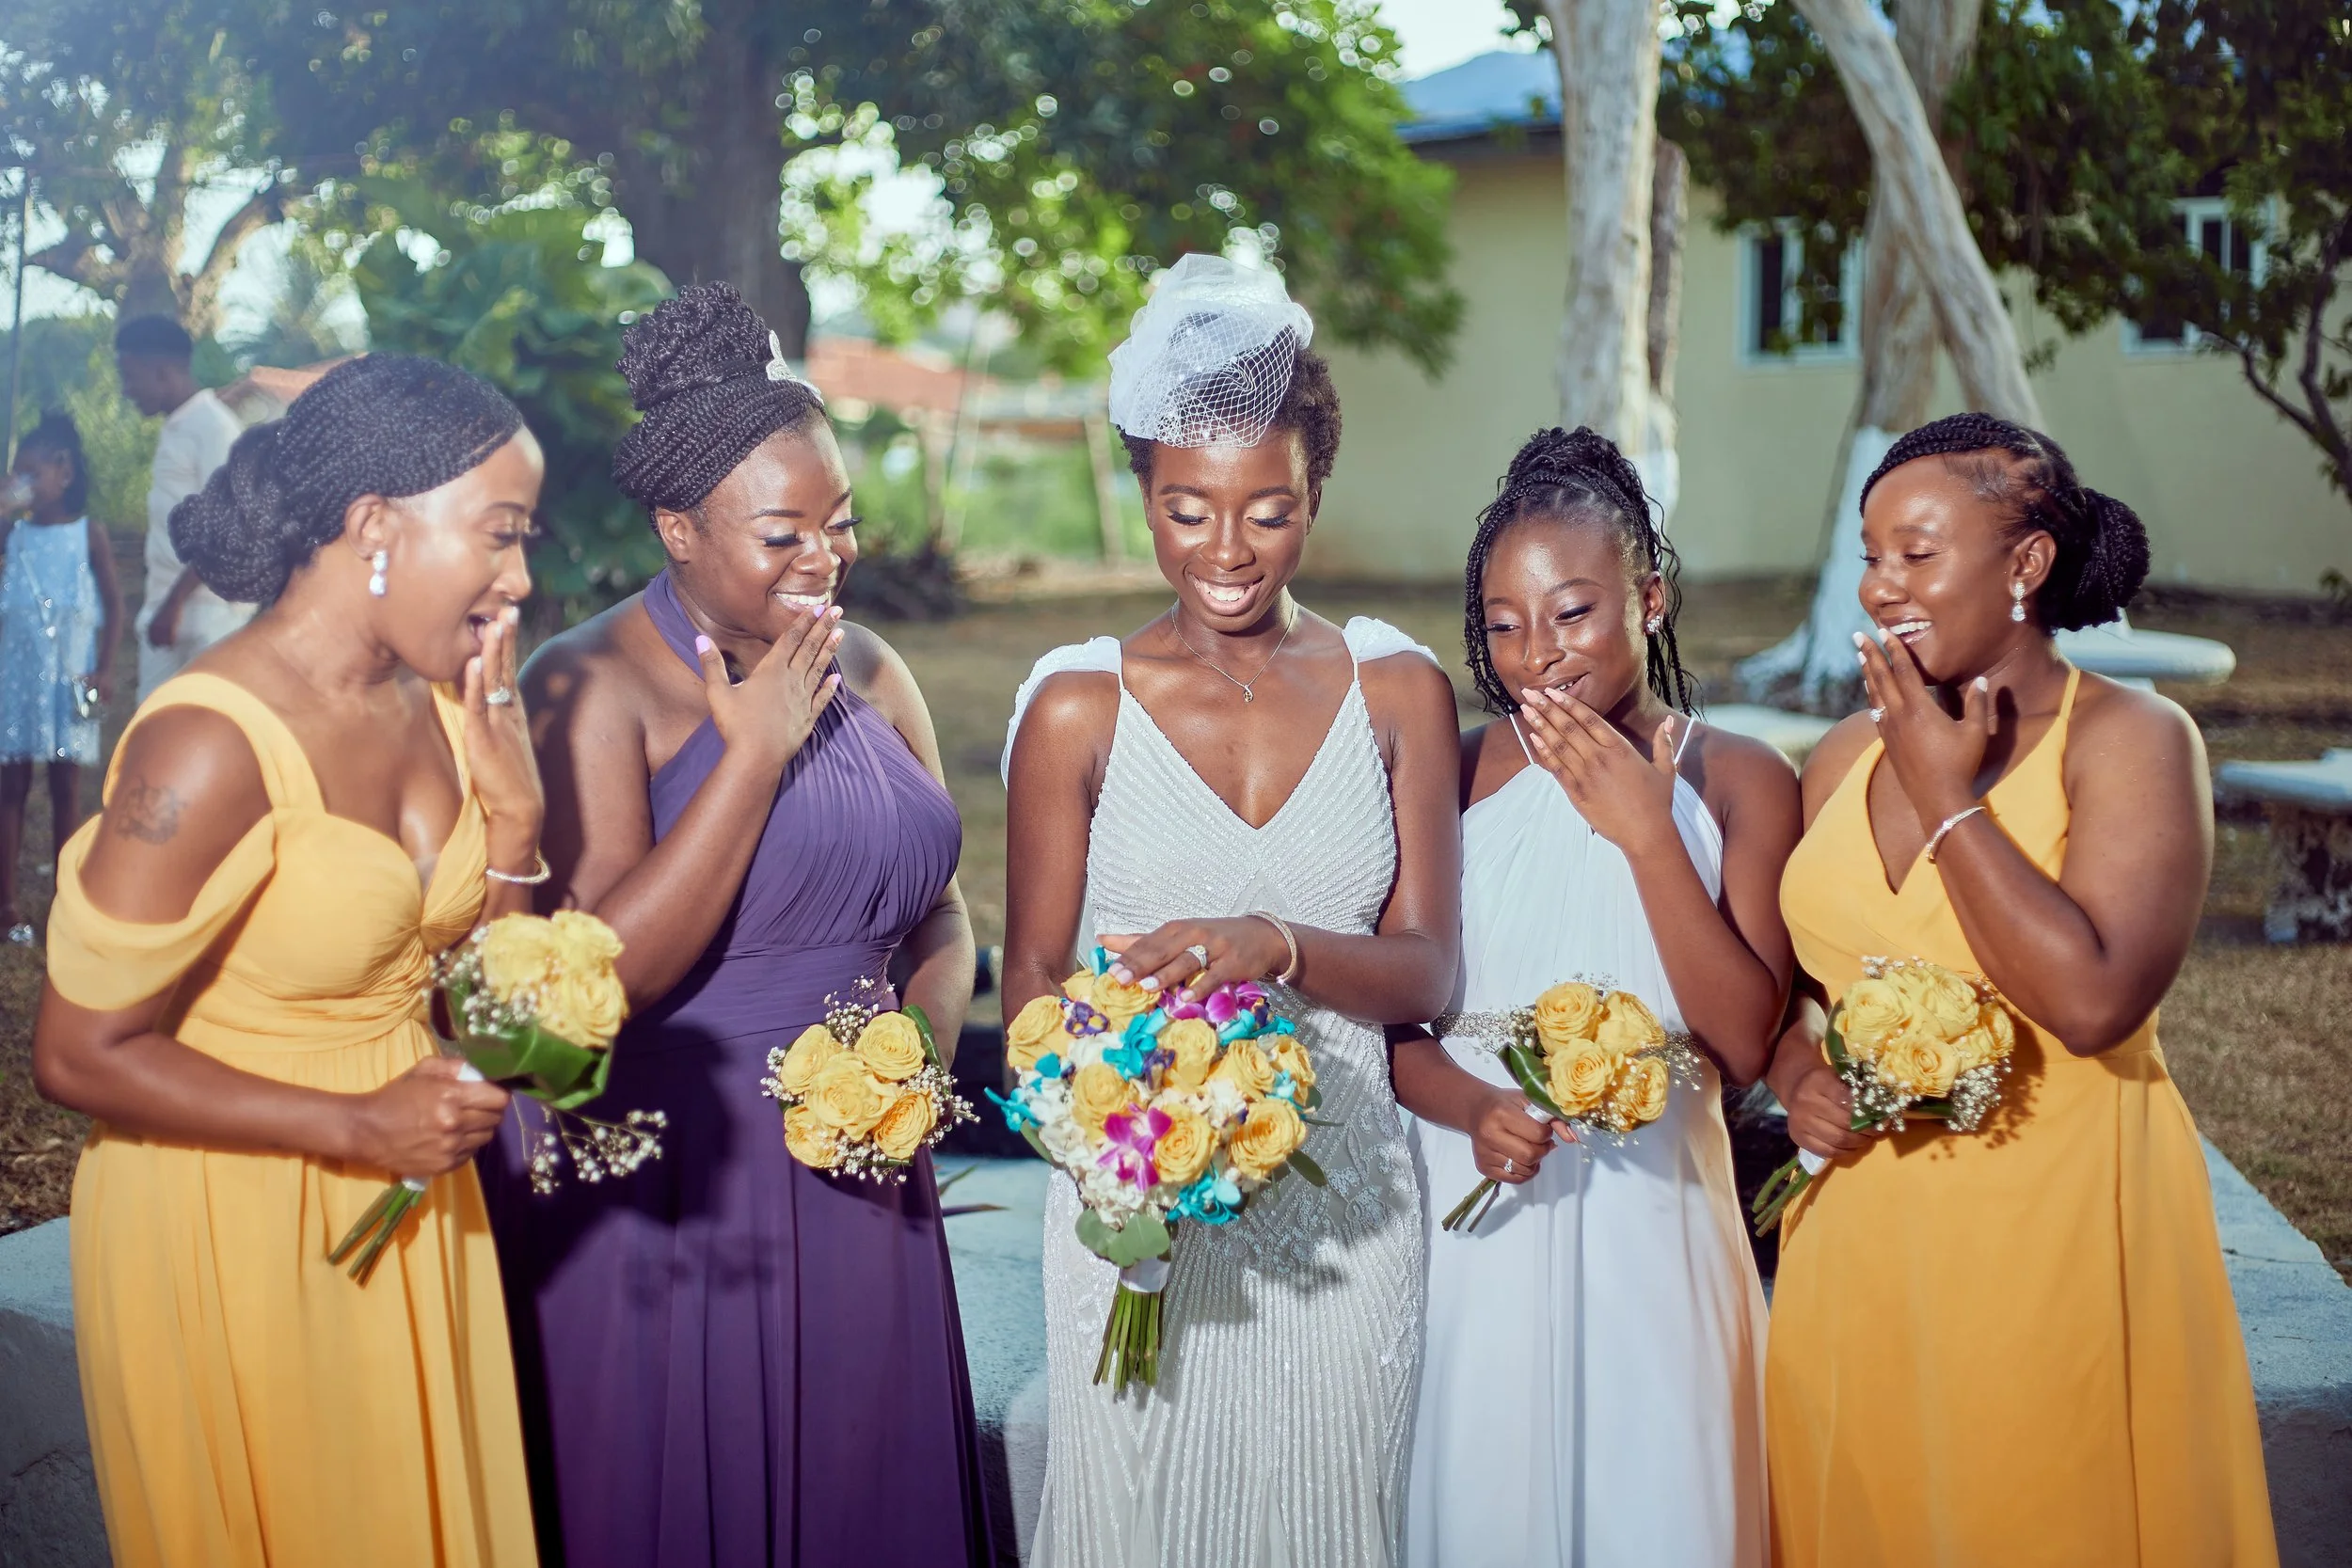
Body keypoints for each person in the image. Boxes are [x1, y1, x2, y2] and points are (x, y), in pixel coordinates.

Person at [479, 281, 991, 1568]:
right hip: (685, 1190)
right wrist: (751, 755)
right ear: (679, 527)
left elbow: (942, 912)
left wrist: (913, 1060)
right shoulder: (588, 683)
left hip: (867, 1169)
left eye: (843, 523)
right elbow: (597, 980)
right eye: (783, 534)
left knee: (866, 1502)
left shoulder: (872, 666)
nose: (825, 558)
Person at [31, 355, 548, 1566]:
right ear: (374, 523)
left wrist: (516, 834)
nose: (521, 578)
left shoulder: (444, 701)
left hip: (416, 1192)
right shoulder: (206, 742)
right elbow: (74, 1052)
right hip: (236, 1209)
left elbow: (495, 1027)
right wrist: (357, 1126)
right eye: (500, 535)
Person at [1000, 254, 1463, 1568]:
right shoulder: (1077, 708)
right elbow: (1031, 974)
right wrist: (1116, 1130)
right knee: (1135, 1515)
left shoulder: (1397, 692)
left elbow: (1428, 971)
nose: (1227, 550)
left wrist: (1285, 948)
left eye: (1268, 510)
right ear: (1142, 492)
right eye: (1187, 509)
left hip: (1351, 1210)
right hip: (1139, 1205)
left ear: (1316, 491)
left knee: (1334, 1516)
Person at [1764, 413, 2278, 1567]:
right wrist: (1799, 1073)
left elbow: (2098, 1001)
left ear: (2025, 565)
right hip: (1861, 1238)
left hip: (2051, 1228)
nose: (1880, 585)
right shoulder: (1842, 755)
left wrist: (1951, 803)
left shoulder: (2134, 742)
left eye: (1916, 552)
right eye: (1871, 553)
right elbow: (1803, 990)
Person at [1392, 427, 1794, 1567]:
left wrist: (1646, 834)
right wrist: (1472, 1109)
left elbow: (1746, 1038)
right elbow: (1397, 1028)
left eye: (1572, 613)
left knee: (1653, 1503)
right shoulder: (1453, 772)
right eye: (1505, 625)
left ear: (1649, 596)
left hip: (1653, 1215)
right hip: (1476, 1206)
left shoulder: (1740, 778)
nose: (1538, 656)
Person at [1, 413, 122, 943]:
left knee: (66, 788)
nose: (20, 484)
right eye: (14, 474)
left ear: (63, 473)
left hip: (70, 680)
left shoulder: (88, 534)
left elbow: (115, 607)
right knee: (11, 787)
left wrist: (106, 666)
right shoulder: (14, 532)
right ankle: (6, 904)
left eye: (30, 473)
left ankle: (66, 901)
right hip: (17, 682)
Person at [115, 314, 252, 699]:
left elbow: (227, 526)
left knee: (207, 725)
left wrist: (174, 604)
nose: (127, 390)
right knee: (152, 726)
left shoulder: (215, 428)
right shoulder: (176, 427)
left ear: (161, 371)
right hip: (167, 611)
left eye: (130, 376)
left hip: (208, 614)